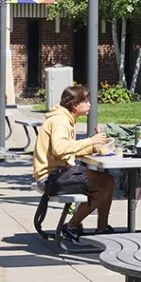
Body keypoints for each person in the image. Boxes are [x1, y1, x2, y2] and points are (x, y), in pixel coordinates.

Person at [34, 85, 116, 244]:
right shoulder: (60, 121)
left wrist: (92, 147)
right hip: (51, 177)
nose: (90, 104)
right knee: (100, 189)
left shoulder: (65, 119)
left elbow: (66, 149)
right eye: (86, 101)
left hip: (60, 172)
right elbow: (60, 149)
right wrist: (89, 141)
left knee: (108, 180)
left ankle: (102, 227)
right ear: (74, 105)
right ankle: (71, 227)